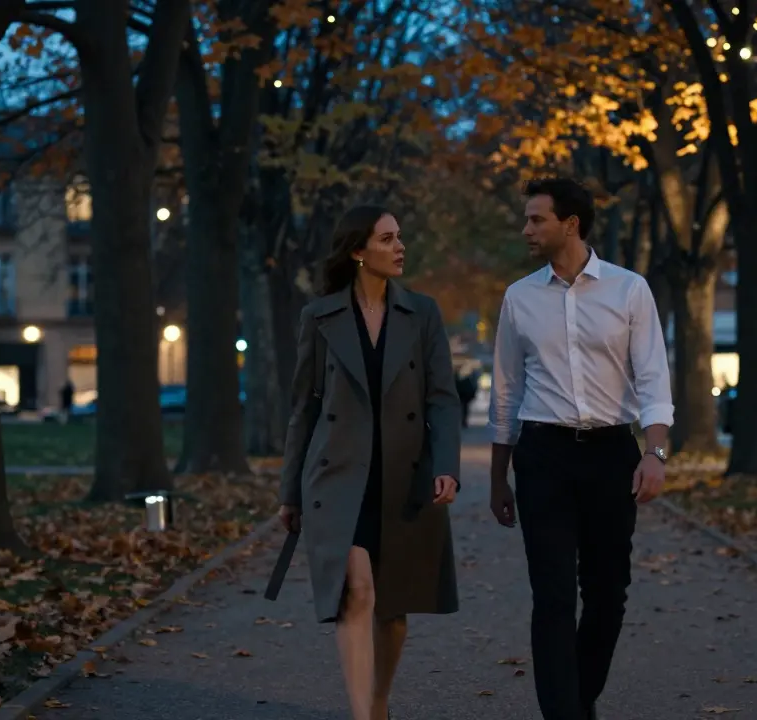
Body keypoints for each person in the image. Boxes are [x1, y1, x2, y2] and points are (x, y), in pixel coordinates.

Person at [488, 178, 673, 720]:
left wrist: (653, 454)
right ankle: (564, 713)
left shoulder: (628, 290)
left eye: (535, 219)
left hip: (610, 454)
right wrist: (500, 478)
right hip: (543, 455)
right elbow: (506, 392)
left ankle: (579, 695)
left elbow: (654, 381)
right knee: (551, 597)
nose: (526, 229)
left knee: (607, 592)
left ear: (570, 223)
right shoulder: (519, 297)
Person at [279, 205, 463, 720]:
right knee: (355, 590)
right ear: (359, 251)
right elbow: (305, 408)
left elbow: (442, 399)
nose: (400, 246)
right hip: (338, 477)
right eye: (388, 238)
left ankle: (379, 701)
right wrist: (289, 492)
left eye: (400, 236)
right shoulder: (318, 317)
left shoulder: (422, 313)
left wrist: (445, 464)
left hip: (403, 477)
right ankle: (362, 716)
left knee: (394, 610)